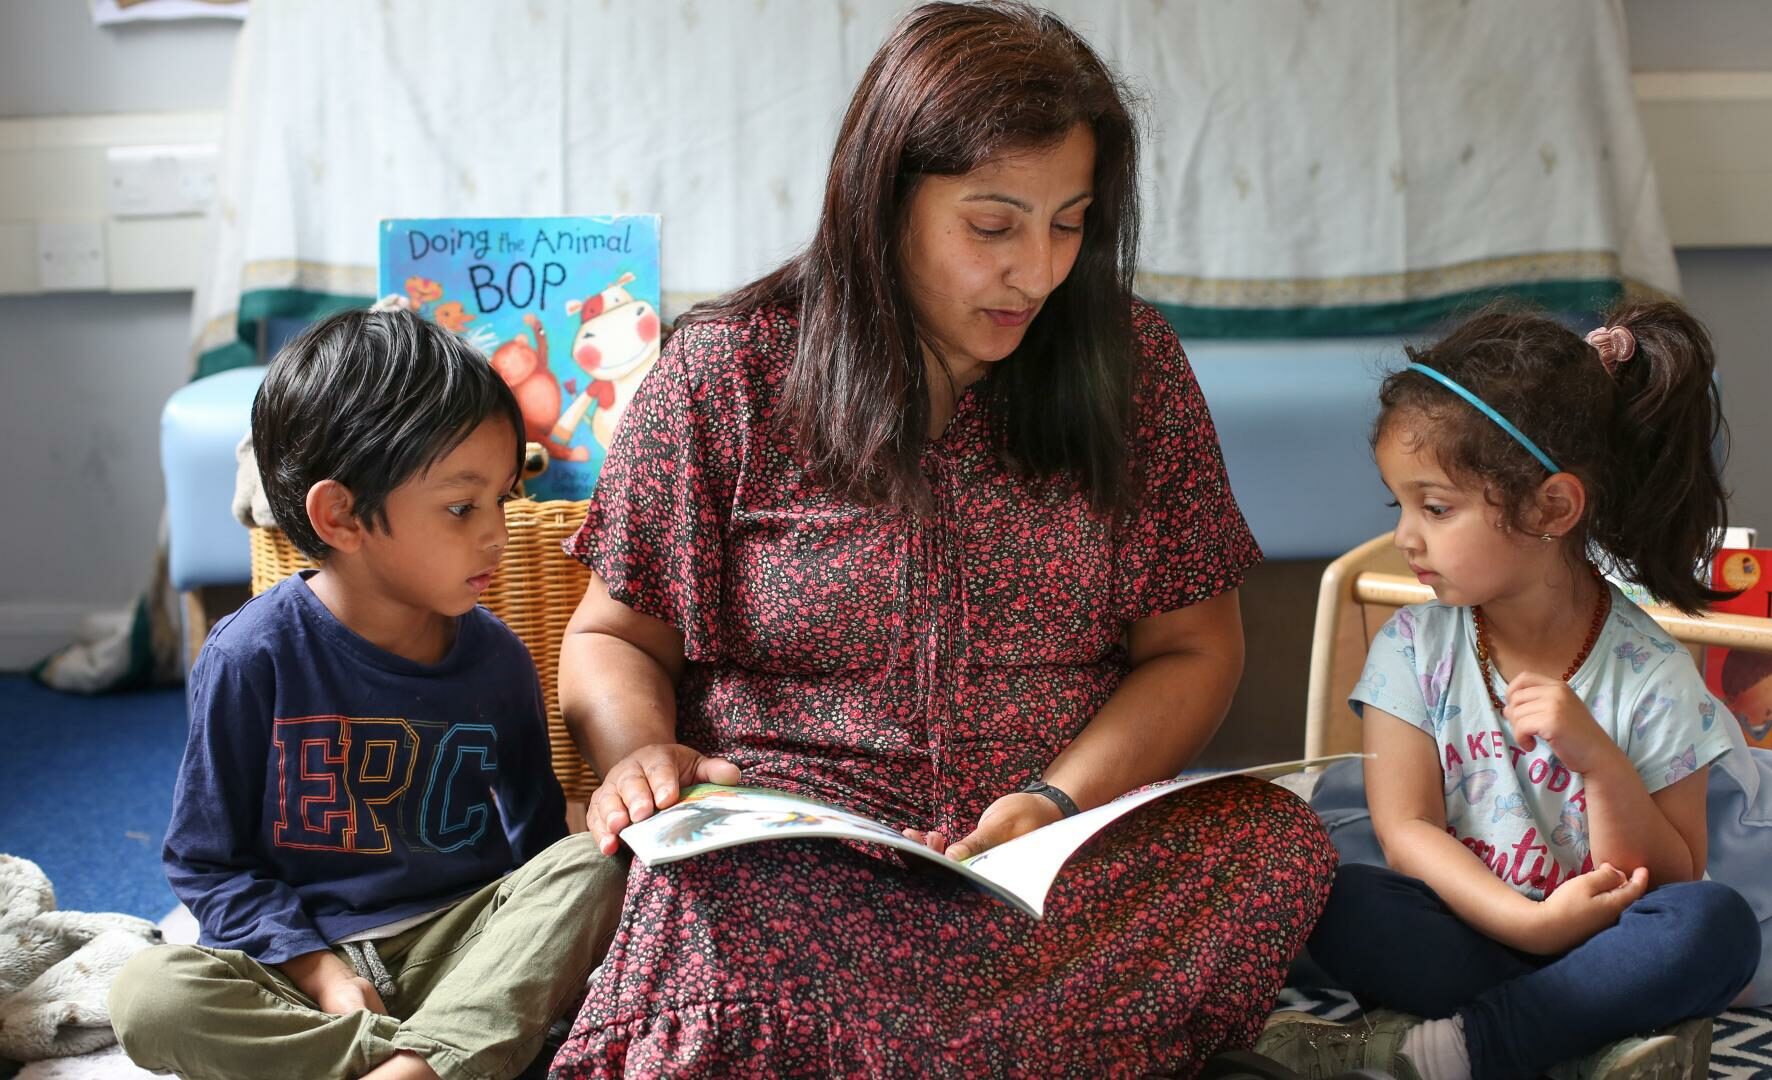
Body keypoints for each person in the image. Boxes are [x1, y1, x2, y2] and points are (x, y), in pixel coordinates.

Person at [548, 2, 1338, 1075]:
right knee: (705, 901)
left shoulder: (1131, 365)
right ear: (885, 201)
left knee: (1273, 849)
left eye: (1071, 224)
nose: (1039, 272)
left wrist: (1053, 802)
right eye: (993, 225)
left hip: (1052, 856)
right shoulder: (727, 371)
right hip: (801, 860)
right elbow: (614, 638)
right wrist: (639, 753)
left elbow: (1194, 650)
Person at [107, 309, 627, 1080]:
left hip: (462, 945)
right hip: (306, 964)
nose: (497, 533)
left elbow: (540, 845)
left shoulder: (499, 659)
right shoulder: (252, 657)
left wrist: (572, 908)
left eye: (503, 498)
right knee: (149, 996)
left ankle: (433, 1054)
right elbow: (207, 863)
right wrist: (321, 972)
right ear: (340, 516)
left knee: (595, 867)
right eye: (462, 507)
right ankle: (439, 1060)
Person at [1256, 303, 1764, 1079]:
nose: (1406, 538)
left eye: (1437, 508)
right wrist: (1528, 926)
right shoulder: (1411, 647)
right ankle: (1582, 1035)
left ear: (1550, 508)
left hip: (1610, 941)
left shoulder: (1650, 671)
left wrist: (1598, 761)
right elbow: (1407, 831)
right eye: (1400, 506)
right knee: (1341, 897)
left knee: (1716, 926)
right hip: (1478, 926)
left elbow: (1671, 876)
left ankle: (1468, 1046)